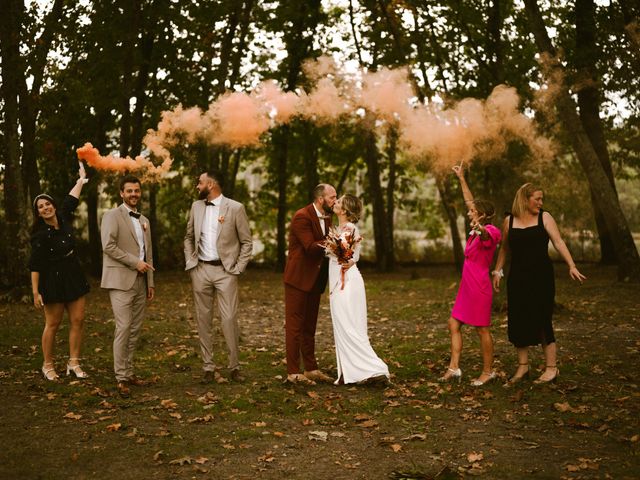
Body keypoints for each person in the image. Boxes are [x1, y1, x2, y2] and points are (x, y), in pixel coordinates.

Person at [493, 183, 586, 385]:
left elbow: (559, 242)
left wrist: (571, 265)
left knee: (542, 317)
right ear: (525, 199)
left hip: (541, 277)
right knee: (518, 318)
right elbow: (504, 249)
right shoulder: (509, 221)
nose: (541, 203)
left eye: (541, 199)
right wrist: (497, 271)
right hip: (517, 277)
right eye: (537, 198)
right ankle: (523, 367)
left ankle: (552, 368)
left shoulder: (545, 217)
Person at [184, 170, 253, 384]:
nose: (198, 186)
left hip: (226, 272)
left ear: (211, 184)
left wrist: (238, 268)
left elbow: (247, 242)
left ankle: (234, 367)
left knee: (229, 319)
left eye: (200, 182)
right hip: (201, 270)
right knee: (203, 319)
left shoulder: (235, 208)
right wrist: (190, 262)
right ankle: (208, 366)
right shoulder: (196, 207)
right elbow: (188, 236)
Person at [439, 164, 501, 386]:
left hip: (479, 288)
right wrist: (462, 178)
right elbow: (469, 201)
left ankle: (488, 371)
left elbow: (486, 235)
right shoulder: (475, 229)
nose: (469, 213)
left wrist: (481, 227)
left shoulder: (491, 232)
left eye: (473, 212)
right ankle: (454, 368)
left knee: (482, 329)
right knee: (453, 324)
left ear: (482, 215)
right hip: (467, 288)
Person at [30, 165, 91, 381]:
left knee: (78, 319)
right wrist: (36, 292)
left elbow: (71, 198)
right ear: (38, 213)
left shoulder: (63, 217)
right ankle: (48, 365)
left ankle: (73, 362)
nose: (46, 208)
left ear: (53, 206)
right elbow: (35, 266)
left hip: (73, 274)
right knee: (53, 324)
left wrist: (81, 179)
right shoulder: (39, 236)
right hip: (52, 280)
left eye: (48, 204)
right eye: (41, 207)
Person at [101, 174, 155, 398]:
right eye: (129, 191)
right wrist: (135, 263)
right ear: (121, 193)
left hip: (142, 282)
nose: (134, 194)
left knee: (134, 330)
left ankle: (130, 372)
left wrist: (150, 282)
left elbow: (148, 252)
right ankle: (120, 377)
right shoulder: (112, 215)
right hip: (120, 280)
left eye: (137, 191)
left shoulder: (145, 220)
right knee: (123, 328)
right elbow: (108, 246)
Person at [328, 194, 389, 385]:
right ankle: (350, 371)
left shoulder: (347, 230)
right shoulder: (345, 229)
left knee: (349, 326)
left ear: (344, 210)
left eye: (338, 202)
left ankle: (373, 369)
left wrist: (342, 255)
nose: (335, 202)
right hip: (344, 280)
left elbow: (344, 256)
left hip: (346, 284)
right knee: (346, 326)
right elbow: (354, 255)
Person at [283, 183, 337, 385]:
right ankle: (293, 372)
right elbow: (310, 247)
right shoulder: (302, 216)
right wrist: (338, 242)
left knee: (309, 327)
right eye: (332, 197)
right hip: (298, 279)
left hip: (316, 279)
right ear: (320, 199)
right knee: (294, 326)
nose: (335, 200)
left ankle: (311, 368)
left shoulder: (328, 217)